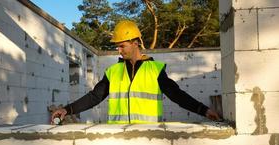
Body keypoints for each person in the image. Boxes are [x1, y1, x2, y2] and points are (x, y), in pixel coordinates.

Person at [51, 20, 220, 124]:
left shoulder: (156, 70)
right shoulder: (113, 71)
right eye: (117, 46)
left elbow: (177, 95)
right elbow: (94, 96)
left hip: (148, 137)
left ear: (135, 43)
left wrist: (203, 110)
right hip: (119, 137)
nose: (119, 50)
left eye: (122, 45)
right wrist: (67, 110)